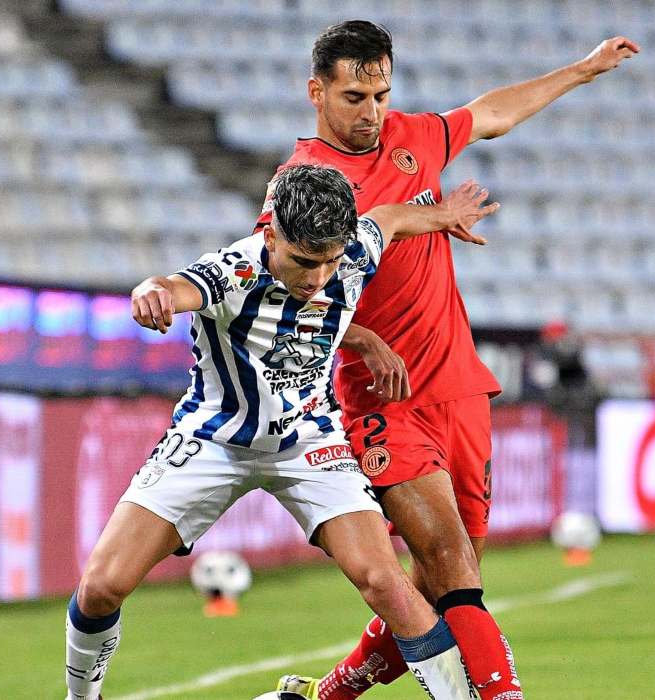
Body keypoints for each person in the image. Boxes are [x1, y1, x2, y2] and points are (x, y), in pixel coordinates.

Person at [259, 21, 639, 700]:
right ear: (316, 92)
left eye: (380, 94)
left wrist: (582, 69)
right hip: (382, 400)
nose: (371, 112)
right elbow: (277, 290)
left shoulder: (413, 138)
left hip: (459, 388)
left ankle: (326, 696)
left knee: (441, 580)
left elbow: (491, 112)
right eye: (354, 97)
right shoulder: (301, 186)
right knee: (448, 561)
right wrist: (362, 339)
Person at [64, 164, 498, 700]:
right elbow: (173, 287)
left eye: (329, 262)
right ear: (270, 235)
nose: (317, 278)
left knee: (387, 583)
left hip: (308, 441)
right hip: (213, 442)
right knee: (101, 586)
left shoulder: (354, 250)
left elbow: (387, 218)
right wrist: (149, 292)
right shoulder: (230, 272)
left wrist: (441, 215)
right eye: (302, 261)